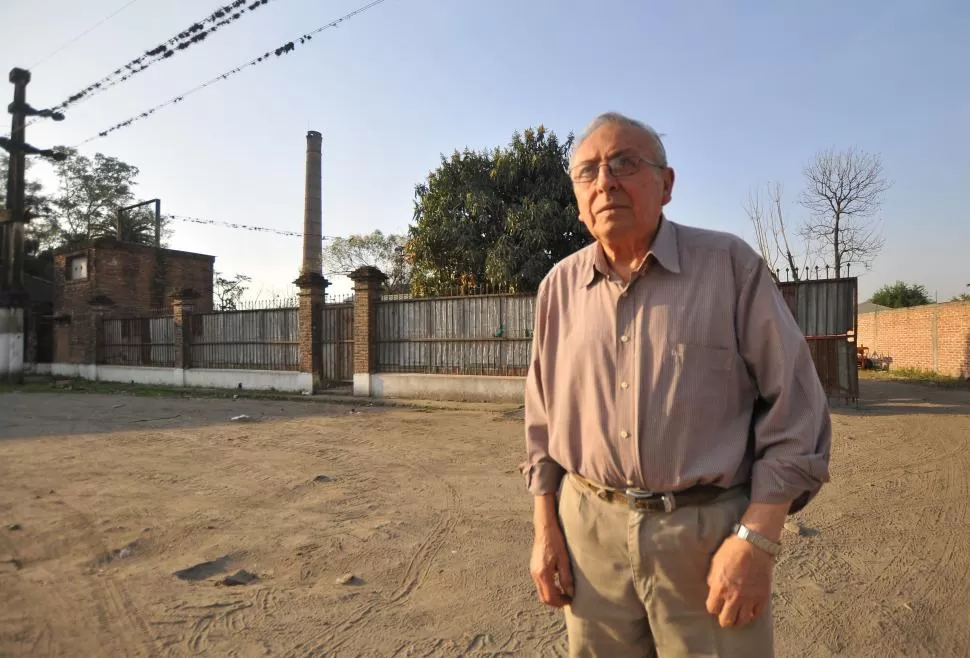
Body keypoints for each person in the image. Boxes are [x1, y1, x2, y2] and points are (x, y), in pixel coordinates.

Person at [521, 111, 831, 657]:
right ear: (576, 196)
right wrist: (546, 530)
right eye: (588, 171)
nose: (606, 181)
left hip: (706, 536)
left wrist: (757, 541)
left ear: (666, 185)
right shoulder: (557, 290)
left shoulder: (729, 267)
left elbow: (797, 411)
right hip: (588, 534)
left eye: (625, 163)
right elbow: (541, 422)